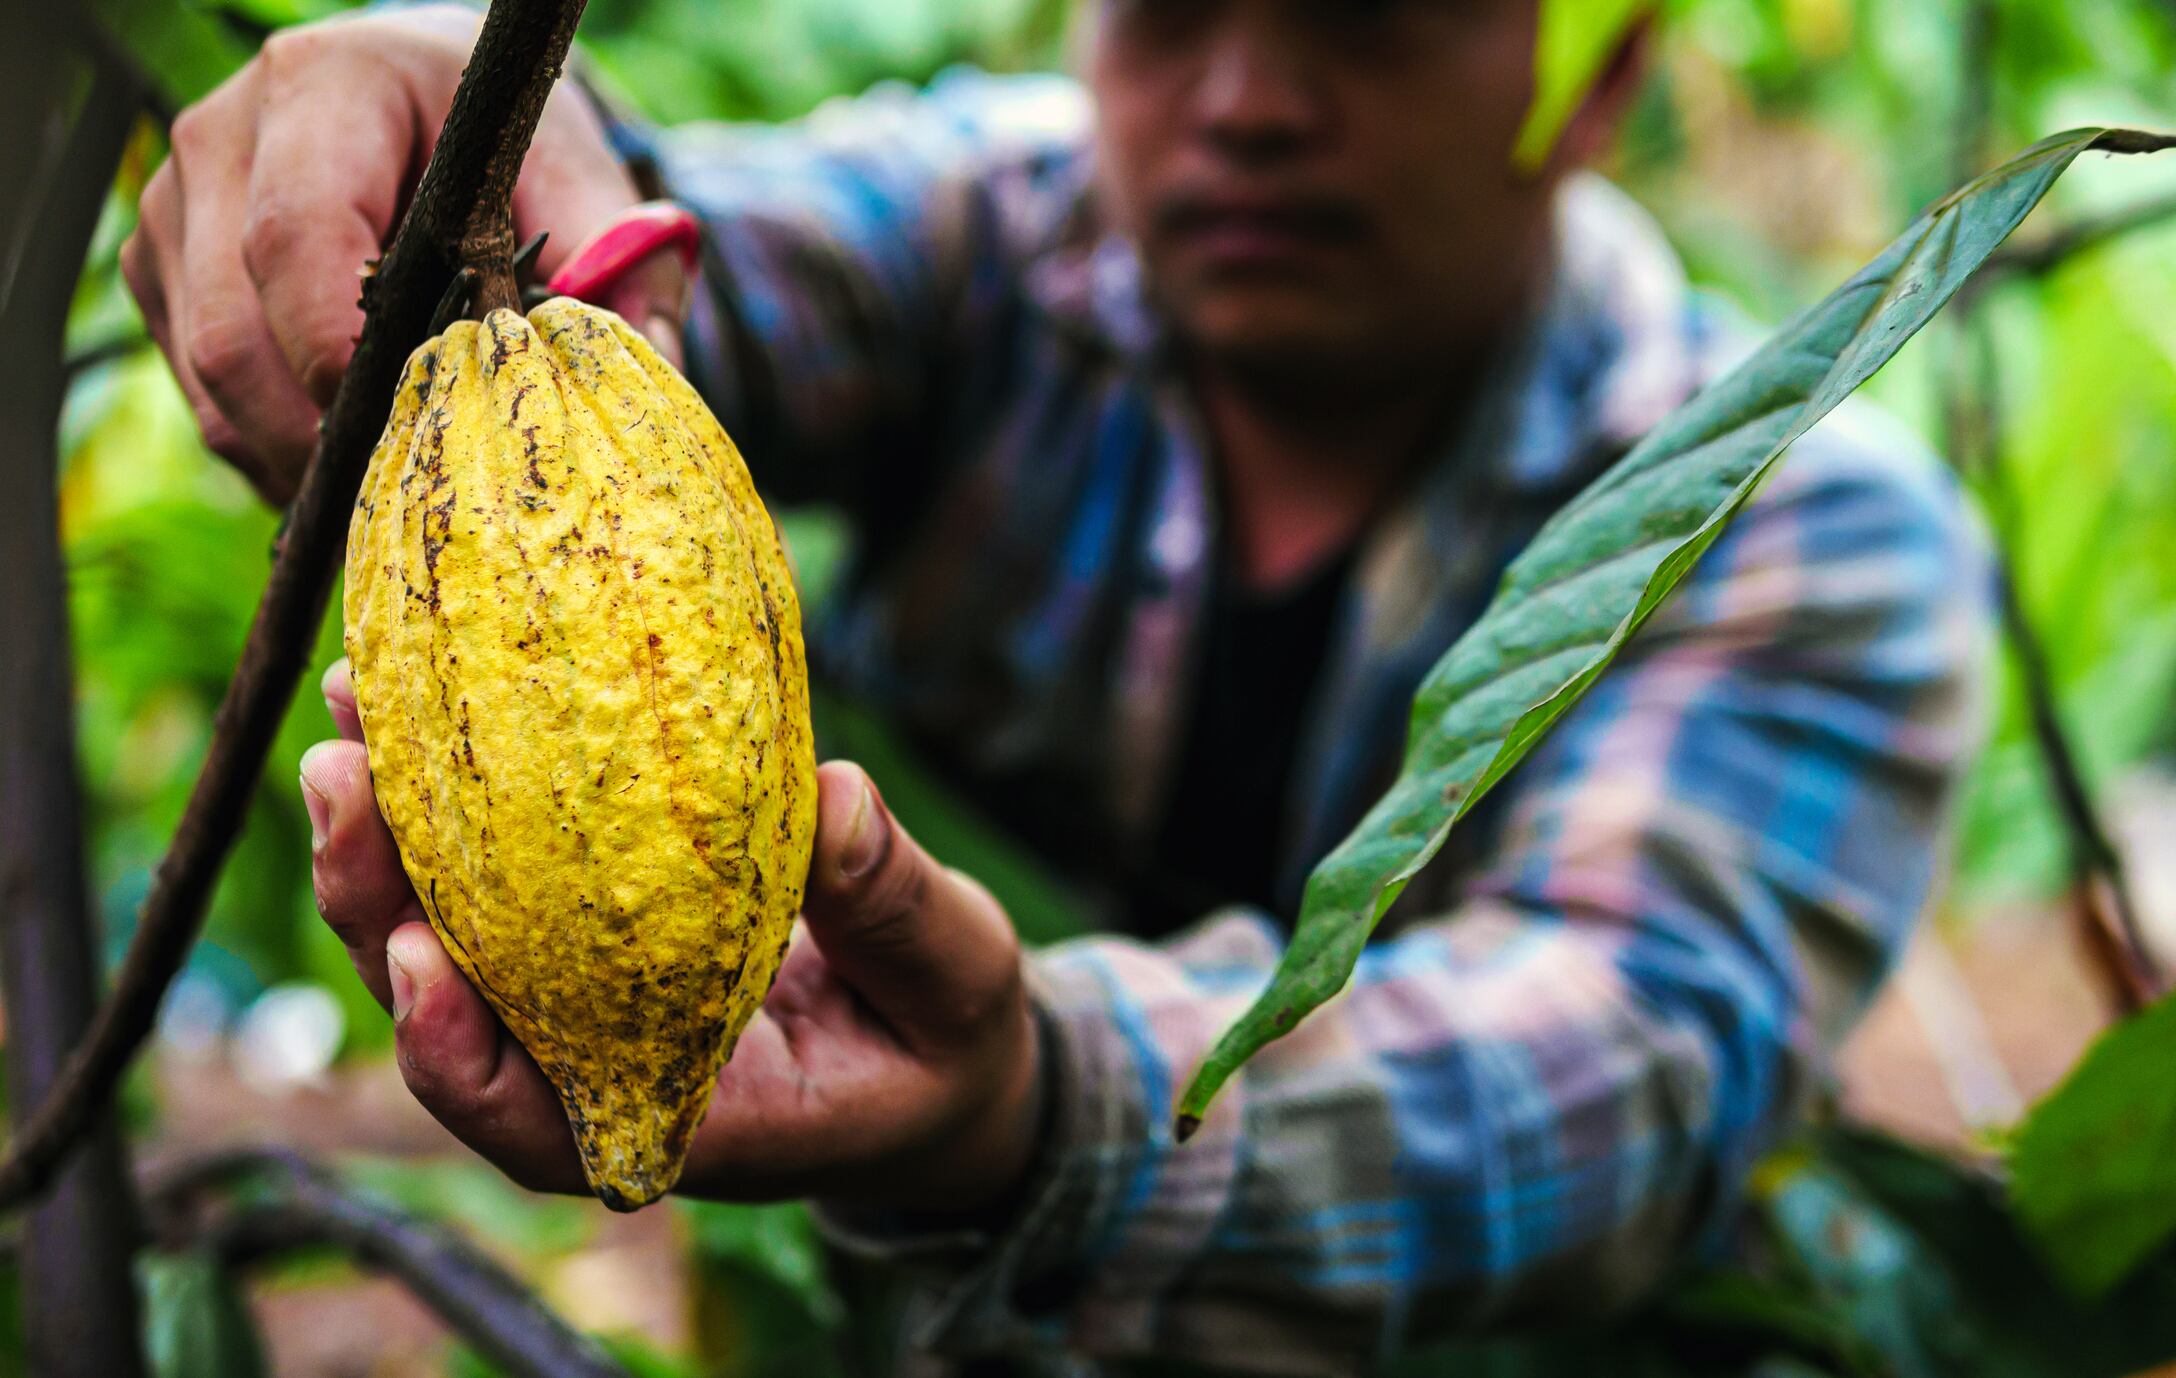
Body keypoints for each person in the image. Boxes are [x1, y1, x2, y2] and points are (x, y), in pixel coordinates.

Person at [121, 1, 1992, 1371]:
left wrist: (1042, 1101)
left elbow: (1623, 1057)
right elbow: (687, 259)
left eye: (1382, 17)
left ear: (1604, 73)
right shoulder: (1002, 224)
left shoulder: (1811, 524)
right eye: (1168, 10)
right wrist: (449, 140)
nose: (1250, 99)